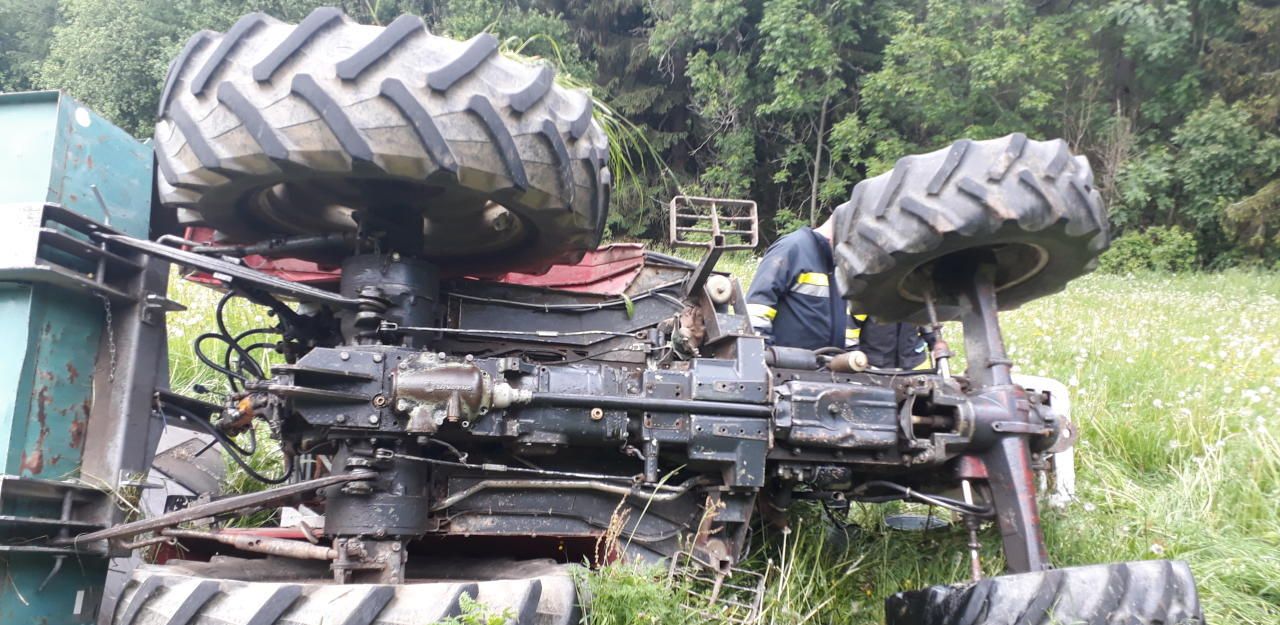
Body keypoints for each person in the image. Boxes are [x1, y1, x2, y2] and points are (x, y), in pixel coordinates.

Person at [746, 214, 935, 367]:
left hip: (826, 370)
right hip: (787, 369)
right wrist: (762, 358)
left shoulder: (841, 262)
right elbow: (757, 308)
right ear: (842, 230)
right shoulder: (792, 248)